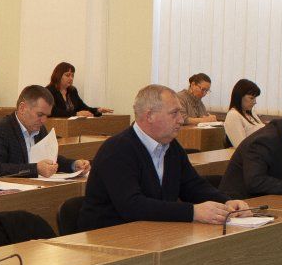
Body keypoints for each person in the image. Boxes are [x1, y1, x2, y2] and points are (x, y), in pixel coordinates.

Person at [77, 84, 249, 230]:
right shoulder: (117, 150)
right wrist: (193, 212)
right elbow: (132, 206)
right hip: (109, 236)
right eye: (174, 113)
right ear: (149, 116)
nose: (181, 120)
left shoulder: (171, 146)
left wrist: (227, 202)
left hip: (153, 230)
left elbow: (192, 185)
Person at [0, 84, 91, 179]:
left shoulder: (40, 129)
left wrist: (73, 165)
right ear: (22, 108)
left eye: (47, 116)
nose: (44, 120)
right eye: (40, 115)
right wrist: (35, 169)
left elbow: (50, 159)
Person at [224, 79, 264, 147]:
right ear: (239, 97)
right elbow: (241, 146)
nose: (255, 102)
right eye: (251, 98)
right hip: (252, 152)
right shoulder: (233, 115)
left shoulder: (251, 113)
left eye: (255, 98)